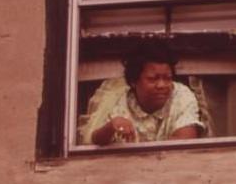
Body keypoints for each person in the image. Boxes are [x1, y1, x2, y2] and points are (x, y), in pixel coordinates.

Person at [79, 43, 207, 146]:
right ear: (134, 81)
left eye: (167, 78)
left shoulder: (182, 95)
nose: (161, 85)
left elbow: (184, 141)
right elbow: (95, 140)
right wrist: (111, 126)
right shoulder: (117, 99)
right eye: (153, 79)